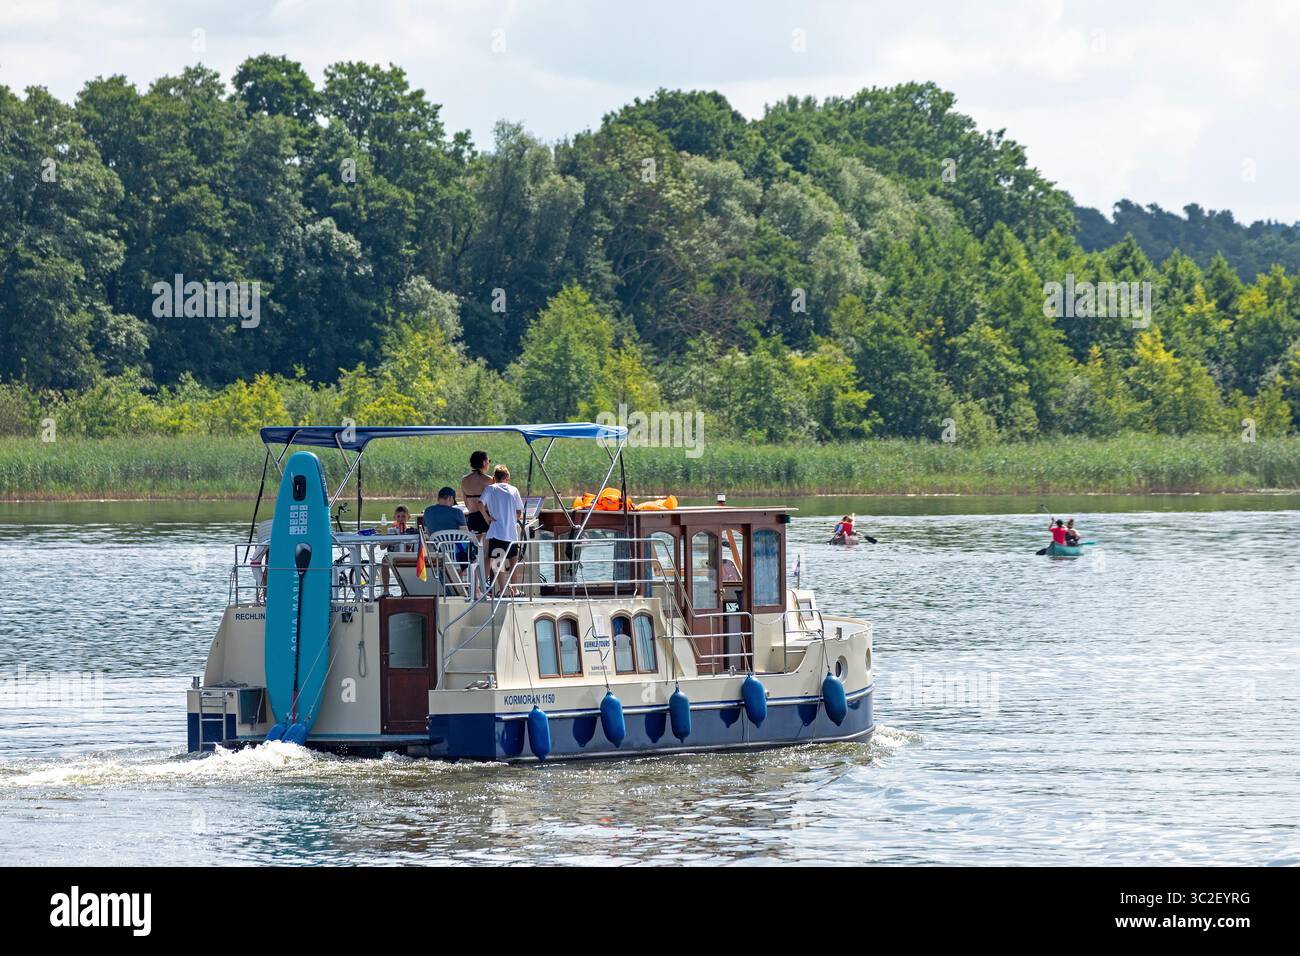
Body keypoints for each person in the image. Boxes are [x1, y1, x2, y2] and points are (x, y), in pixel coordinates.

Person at [479, 464, 525, 593]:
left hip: (495, 532)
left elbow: (480, 504)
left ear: (494, 477)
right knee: (513, 561)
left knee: (497, 563)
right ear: (507, 477)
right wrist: (512, 520)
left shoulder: (489, 489)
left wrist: (487, 518)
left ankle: (502, 589)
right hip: (510, 533)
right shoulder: (513, 490)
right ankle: (514, 589)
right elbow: (519, 510)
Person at [382, 506, 418, 593]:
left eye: (403, 516)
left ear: (408, 518)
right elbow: (382, 546)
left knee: (404, 562)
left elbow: (410, 547)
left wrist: (403, 538)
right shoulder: (390, 531)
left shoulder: (411, 531)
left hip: (406, 555)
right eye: (398, 516)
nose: (401, 519)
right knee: (384, 562)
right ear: (395, 518)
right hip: (392, 555)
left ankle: (404, 591)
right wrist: (393, 539)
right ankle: (386, 591)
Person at [460, 451, 493, 542]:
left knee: (476, 547)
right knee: (487, 548)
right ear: (483, 463)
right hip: (486, 516)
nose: (489, 464)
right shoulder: (488, 480)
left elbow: (466, 503)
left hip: (472, 517)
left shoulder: (464, 480)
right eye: (488, 461)